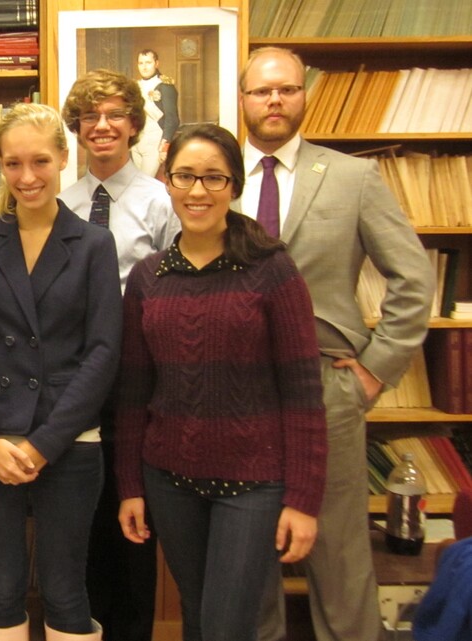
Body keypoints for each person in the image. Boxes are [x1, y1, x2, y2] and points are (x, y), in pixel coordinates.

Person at [237, 47, 435, 641]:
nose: (275, 100)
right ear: (243, 99)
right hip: (239, 391)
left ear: (303, 96)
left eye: (287, 90)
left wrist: (375, 370)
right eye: (262, 91)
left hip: (327, 385)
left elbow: (413, 277)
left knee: (339, 553)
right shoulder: (214, 175)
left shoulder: (352, 177)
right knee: (251, 559)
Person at [115, 123, 328, 641]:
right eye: (185, 176)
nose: (197, 191)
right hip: (169, 479)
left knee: (228, 624)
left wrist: (303, 499)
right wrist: (130, 487)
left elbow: (303, 394)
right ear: (166, 180)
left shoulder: (272, 269)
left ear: (234, 186)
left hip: (253, 482)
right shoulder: (148, 278)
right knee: (197, 612)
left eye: (213, 178)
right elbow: (132, 394)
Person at [0, 103, 122, 641]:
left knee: (67, 589)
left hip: (68, 440)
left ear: (65, 159)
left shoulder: (93, 243)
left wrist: (44, 444)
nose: (27, 177)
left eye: (40, 161)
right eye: (14, 163)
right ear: (0, 165)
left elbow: (103, 353)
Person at [57, 68, 178, 641]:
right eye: (88, 116)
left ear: (133, 124)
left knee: (132, 518)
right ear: (76, 128)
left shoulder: (161, 201)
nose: (101, 126)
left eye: (113, 115)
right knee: (78, 519)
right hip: (72, 382)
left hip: (137, 383)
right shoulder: (59, 200)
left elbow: (177, 292)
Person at [131, 49, 179, 177]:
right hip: (137, 141)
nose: (144, 67)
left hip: (154, 141)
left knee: (145, 184)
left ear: (156, 63)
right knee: (136, 183)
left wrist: (165, 147)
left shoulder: (165, 86)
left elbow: (172, 119)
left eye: (148, 62)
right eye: (141, 63)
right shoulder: (134, 86)